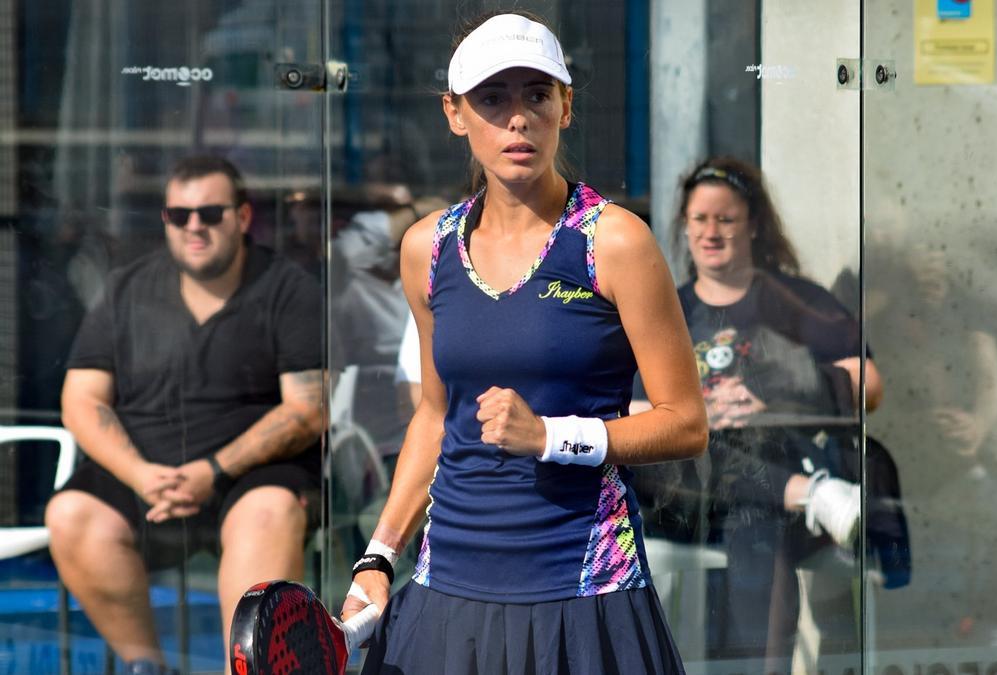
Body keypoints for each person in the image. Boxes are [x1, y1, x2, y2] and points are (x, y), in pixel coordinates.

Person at [339, 11, 707, 674]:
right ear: (455, 114)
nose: (517, 119)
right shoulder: (426, 248)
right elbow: (435, 413)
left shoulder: (615, 242)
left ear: (565, 107)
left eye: (536, 95)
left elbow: (686, 423)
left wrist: (552, 436)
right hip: (444, 587)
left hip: (584, 590)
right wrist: (379, 554)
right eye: (492, 98)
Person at [44, 155, 325, 675]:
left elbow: (308, 411)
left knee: (267, 513)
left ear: (241, 218)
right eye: (180, 215)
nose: (194, 226)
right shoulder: (127, 289)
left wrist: (212, 471)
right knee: (71, 515)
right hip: (148, 474)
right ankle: (146, 667)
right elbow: (81, 401)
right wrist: (141, 475)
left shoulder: (288, 288)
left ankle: (243, 670)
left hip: (251, 476)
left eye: (211, 213)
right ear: (166, 221)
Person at [631, 157, 884, 668]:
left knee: (756, 523)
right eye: (699, 219)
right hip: (684, 495)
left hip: (764, 492)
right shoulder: (666, 308)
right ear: (684, 226)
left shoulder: (792, 300)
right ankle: (812, 496)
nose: (711, 231)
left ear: (753, 224)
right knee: (676, 446)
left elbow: (870, 386)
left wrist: (775, 392)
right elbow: (632, 409)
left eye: (725, 218)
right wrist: (694, 409)